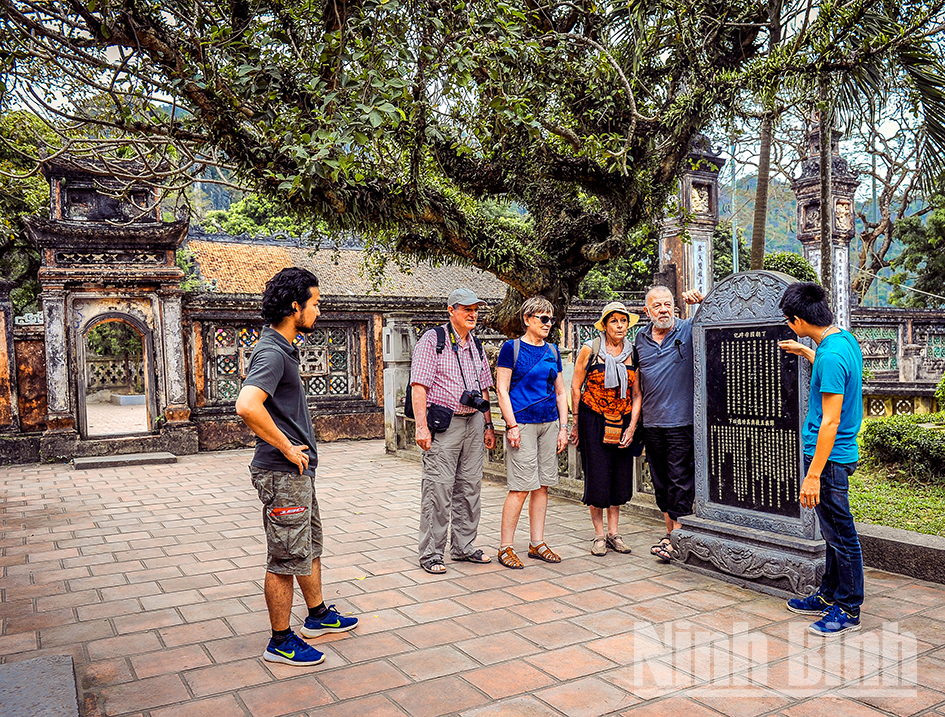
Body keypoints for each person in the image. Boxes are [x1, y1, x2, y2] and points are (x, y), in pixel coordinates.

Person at [235, 267, 358, 668]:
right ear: (294, 307)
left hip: (297, 476)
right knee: (285, 557)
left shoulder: (282, 347)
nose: (318, 312)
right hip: (282, 473)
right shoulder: (271, 352)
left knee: (307, 546)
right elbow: (247, 405)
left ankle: (318, 615)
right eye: (315, 304)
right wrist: (287, 447)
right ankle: (280, 640)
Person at [778, 282, 865, 637]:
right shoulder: (842, 341)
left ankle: (849, 607)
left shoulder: (830, 355)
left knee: (842, 534)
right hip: (837, 454)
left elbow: (830, 419)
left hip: (828, 459)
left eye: (789, 321)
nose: (788, 326)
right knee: (831, 532)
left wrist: (812, 475)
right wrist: (807, 352)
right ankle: (830, 593)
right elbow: (835, 373)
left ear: (799, 319)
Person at [410, 288, 496, 574]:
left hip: (473, 422)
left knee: (470, 486)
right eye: (466, 309)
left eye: (476, 309)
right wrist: (420, 426)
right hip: (444, 423)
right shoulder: (433, 340)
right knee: (439, 488)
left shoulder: (476, 345)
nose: (473, 314)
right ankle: (432, 554)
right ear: (451, 310)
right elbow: (419, 385)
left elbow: (484, 387)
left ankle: (463, 545)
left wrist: (489, 423)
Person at [494, 296, 569, 569]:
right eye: (543, 318)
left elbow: (560, 391)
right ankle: (505, 547)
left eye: (551, 319)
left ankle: (537, 542)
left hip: (548, 423)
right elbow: (501, 390)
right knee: (520, 487)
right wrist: (511, 425)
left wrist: (564, 426)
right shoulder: (511, 349)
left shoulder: (552, 350)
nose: (548, 323)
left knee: (542, 485)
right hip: (522, 423)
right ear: (527, 319)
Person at [632, 285, 703, 562]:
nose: (663, 310)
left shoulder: (687, 329)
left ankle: (678, 538)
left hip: (682, 423)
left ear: (674, 306)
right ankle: (669, 533)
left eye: (667, 304)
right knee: (661, 483)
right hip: (652, 424)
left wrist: (703, 299)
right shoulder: (640, 339)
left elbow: (717, 318)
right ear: (647, 311)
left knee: (681, 482)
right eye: (657, 306)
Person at [569, 301, 641, 556]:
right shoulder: (591, 349)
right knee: (597, 475)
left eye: (623, 321)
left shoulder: (633, 351)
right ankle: (599, 535)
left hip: (621, 419)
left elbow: (636, 393)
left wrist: (632, 425)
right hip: (593, 418)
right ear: (605, 324)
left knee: (619, 476)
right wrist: (576, 422)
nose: (620, 326)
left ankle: (614, 533)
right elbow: (576, 386)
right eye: (614, 321)